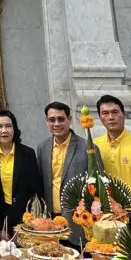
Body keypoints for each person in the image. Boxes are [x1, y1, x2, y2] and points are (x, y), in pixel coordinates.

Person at [37, 101, 90, 248]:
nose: (56, 124)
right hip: (51, 221)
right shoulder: (42, 147)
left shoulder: (87, 147)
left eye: (61, 119)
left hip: (77, 221)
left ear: (69, 120)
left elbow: (97, 186)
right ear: (47, 122)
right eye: (51, 120)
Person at [0, 109, 40, 236]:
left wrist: (34, 218)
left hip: (24, 217)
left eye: (8, 126)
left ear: (14, 129)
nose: (4, 130)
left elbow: (36, 188)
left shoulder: (28, 154)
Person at [92, 94, 131, 216]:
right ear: (99, 117)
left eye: (115, 112)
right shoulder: (95, 145)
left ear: (123, 115)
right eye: (105, 113)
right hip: (109, 213)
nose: (111, 117)